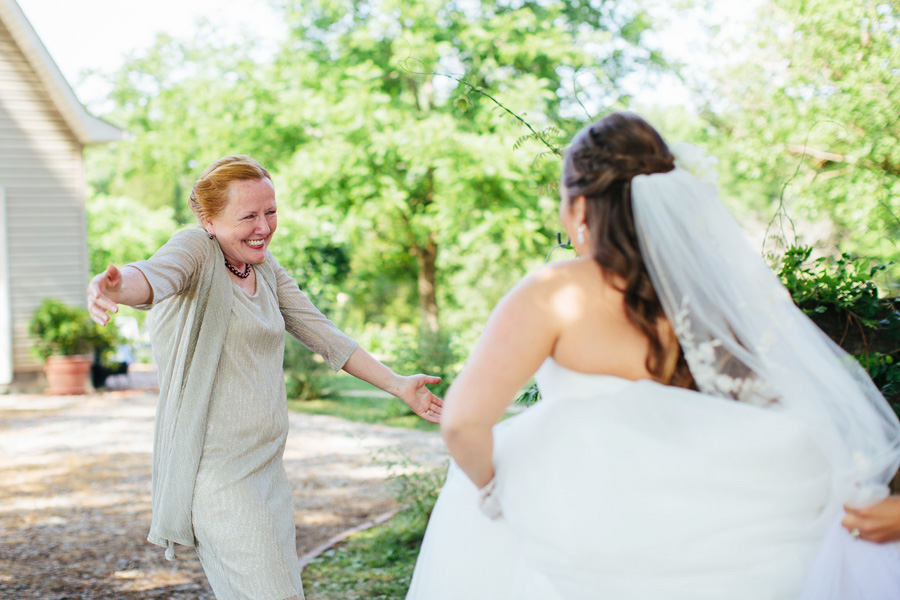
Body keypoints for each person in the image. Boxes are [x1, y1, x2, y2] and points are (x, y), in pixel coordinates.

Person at [406, 112, 900, 599]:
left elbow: (463, 423)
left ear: (580, 208)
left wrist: (498, 492)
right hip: (718, 520)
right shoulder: (719, 294)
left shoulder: (552, 292)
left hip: (590, 526)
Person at [87, 155, 443, 600]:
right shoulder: (196, 251)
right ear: (210, 221)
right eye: (249, 216)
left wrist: (397, 384)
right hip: (218, 479)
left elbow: (325, 335)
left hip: (267, 472)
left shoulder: (265, 268)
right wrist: (116, 287)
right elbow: (154, 275)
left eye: (270, 211)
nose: (264, 227)